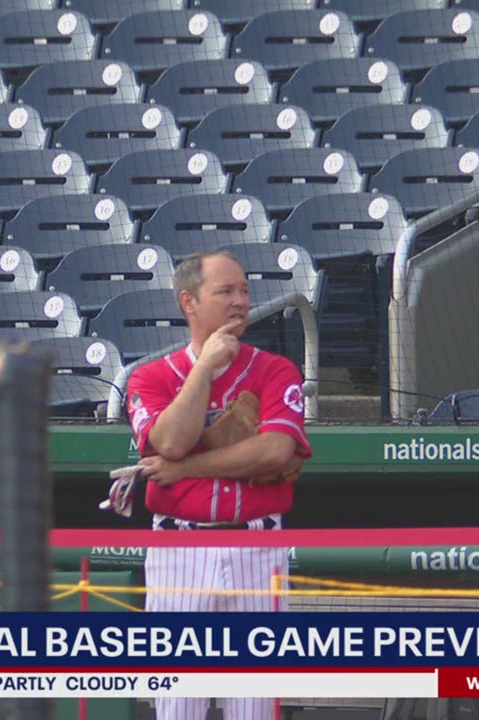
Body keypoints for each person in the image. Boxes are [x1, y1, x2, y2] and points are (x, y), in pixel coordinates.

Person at [127, 250, 313, 720]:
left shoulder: (276, 370)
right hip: (178, 550)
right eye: (225, 291)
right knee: (178, 706)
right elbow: (169, 441)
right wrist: (203, 370)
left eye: (245, 290)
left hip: (258, 545)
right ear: (189, 302)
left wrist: (189, 469)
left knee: (253, 707)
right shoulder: (149, 377)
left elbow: (274, 452)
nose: (240, 302)